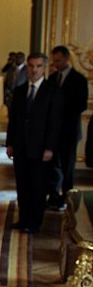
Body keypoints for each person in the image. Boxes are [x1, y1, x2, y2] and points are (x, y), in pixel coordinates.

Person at [6, 52, 62, 233]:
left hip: (41, 148)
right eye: (31, 66)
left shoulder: (52, 91)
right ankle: (23, 219)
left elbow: (54, 123)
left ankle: (34, 222)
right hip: (21, 146)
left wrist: (50, 147)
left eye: (38, 66)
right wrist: (10, 143)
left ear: (44, 67)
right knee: (23, 186)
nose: (34, 70)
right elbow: (13, 120)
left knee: (38, 186)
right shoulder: (21, 90)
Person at [46, 45, 89, 210]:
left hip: (69, 130)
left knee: (67, 166)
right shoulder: (52, 78)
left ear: (66, 58)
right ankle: (53, 195)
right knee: (52, 165)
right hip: (53, 132)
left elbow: (81, 105)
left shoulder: (79, 79)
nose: (55, 64)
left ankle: (67, 197)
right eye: (54, 61)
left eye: (58, 61)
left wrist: (61, 112)